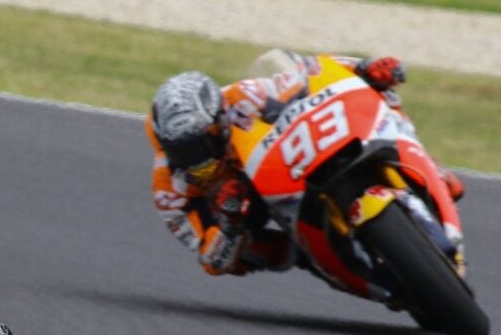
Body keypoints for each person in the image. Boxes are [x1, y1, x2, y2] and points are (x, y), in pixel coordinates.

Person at [146, 53, 465, 277]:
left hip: (289, 158)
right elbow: (210, 260)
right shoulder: (168, 193)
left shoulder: (242, 96)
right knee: (257, 254)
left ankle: (423, 164)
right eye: (181, 149)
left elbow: (313, 72)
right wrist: (229, 225)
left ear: (217, 119)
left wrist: (365, 69)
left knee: (383, 101)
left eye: (200, 141)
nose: (194, 154)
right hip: (248, 207)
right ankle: (313, 255)